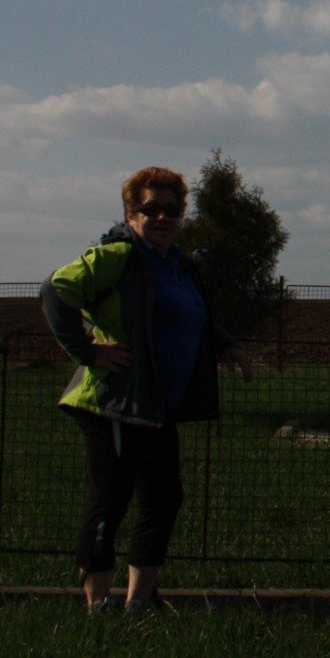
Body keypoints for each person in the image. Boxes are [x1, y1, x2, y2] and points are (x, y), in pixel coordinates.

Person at [41, 166, 252, 613]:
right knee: (111, 498)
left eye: (171, 210)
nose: (161, 218)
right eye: (150, 209)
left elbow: (191, 317)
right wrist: (88, 352)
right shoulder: (119, 255)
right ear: (130, 214)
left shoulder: (178, 264)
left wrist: (226, 344)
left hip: (154, 404)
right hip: (113, 403)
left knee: (164, 496)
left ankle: (139, 602)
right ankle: (98, 604)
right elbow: (56, 291)